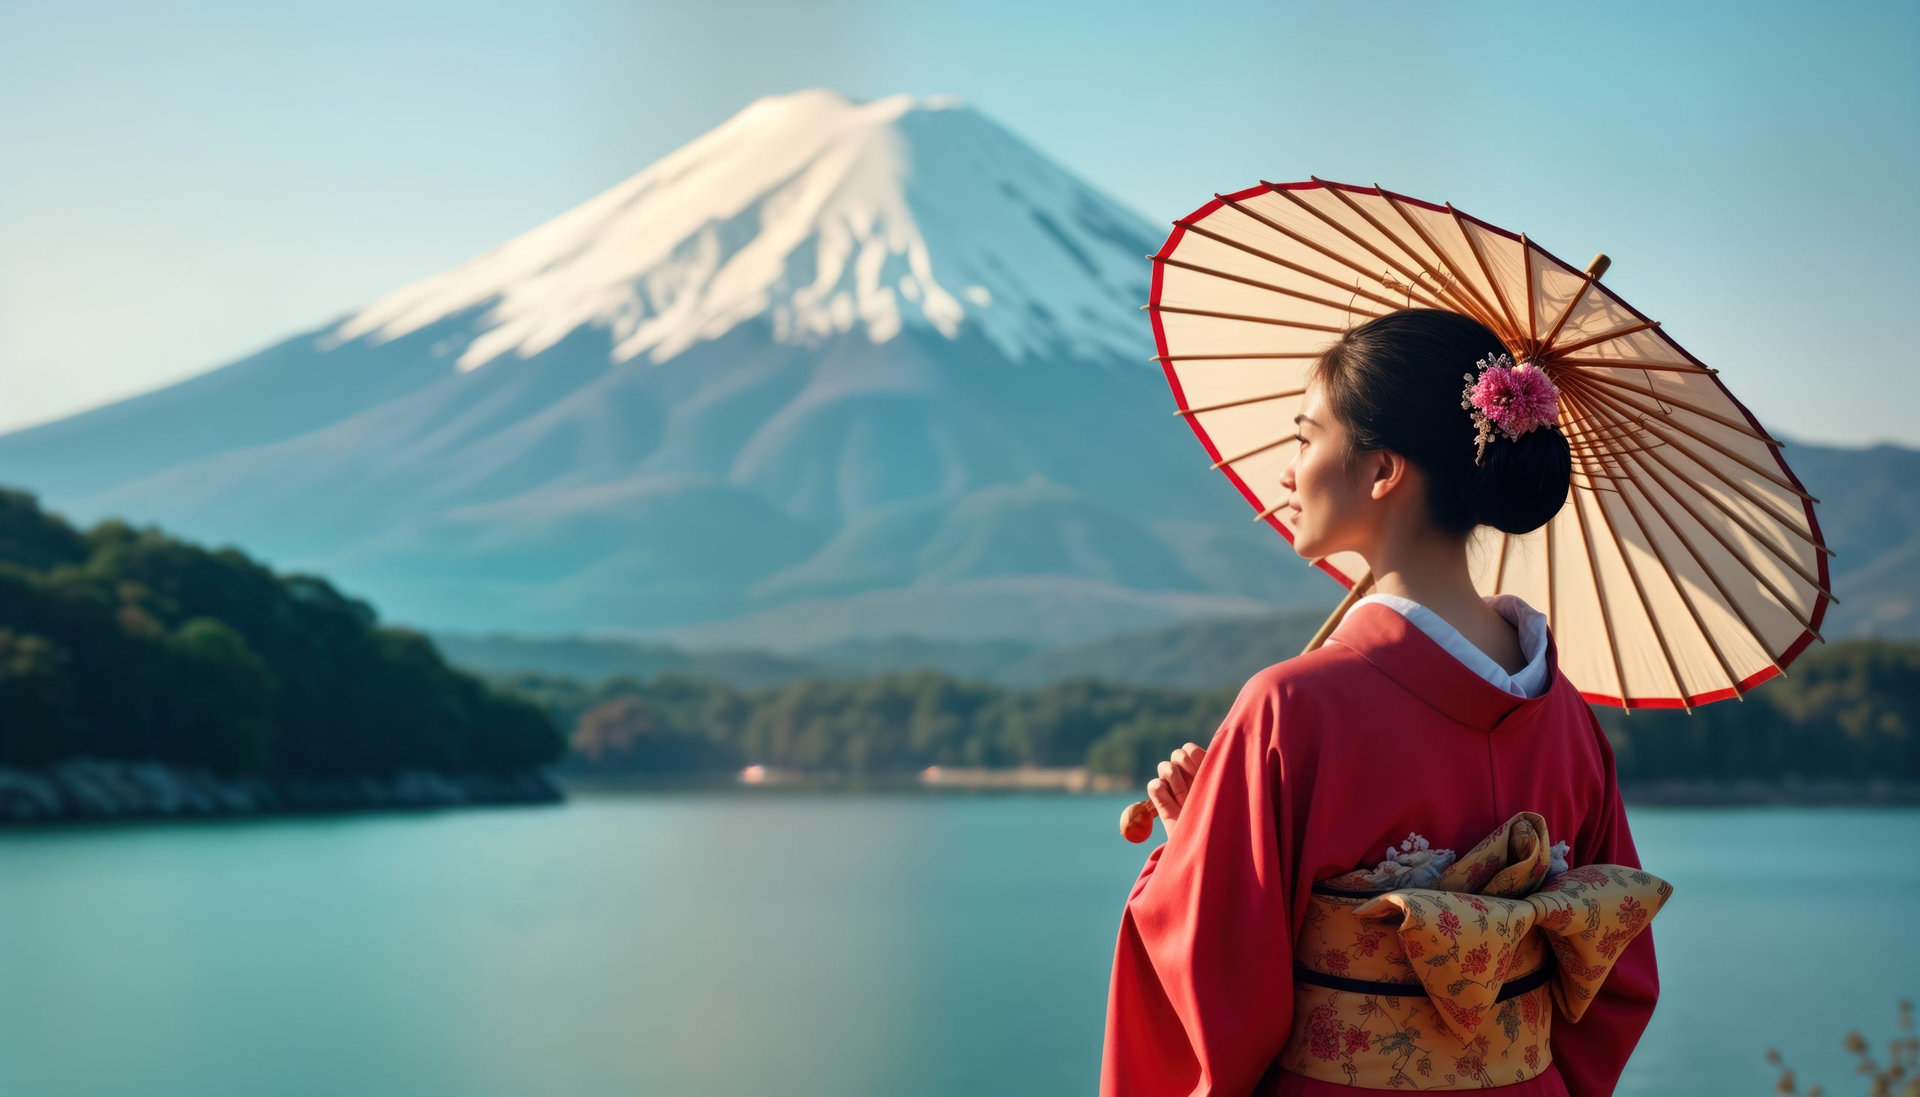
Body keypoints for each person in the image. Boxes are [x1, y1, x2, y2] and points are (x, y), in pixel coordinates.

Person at [1098, 309, 1663, 1097]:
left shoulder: (1290, 708)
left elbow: (1217, 987)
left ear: (1382, 470)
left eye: (1305, 437)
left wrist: (1189, 855)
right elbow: (1617, 981)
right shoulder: (1570, 719)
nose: (1288, 472)